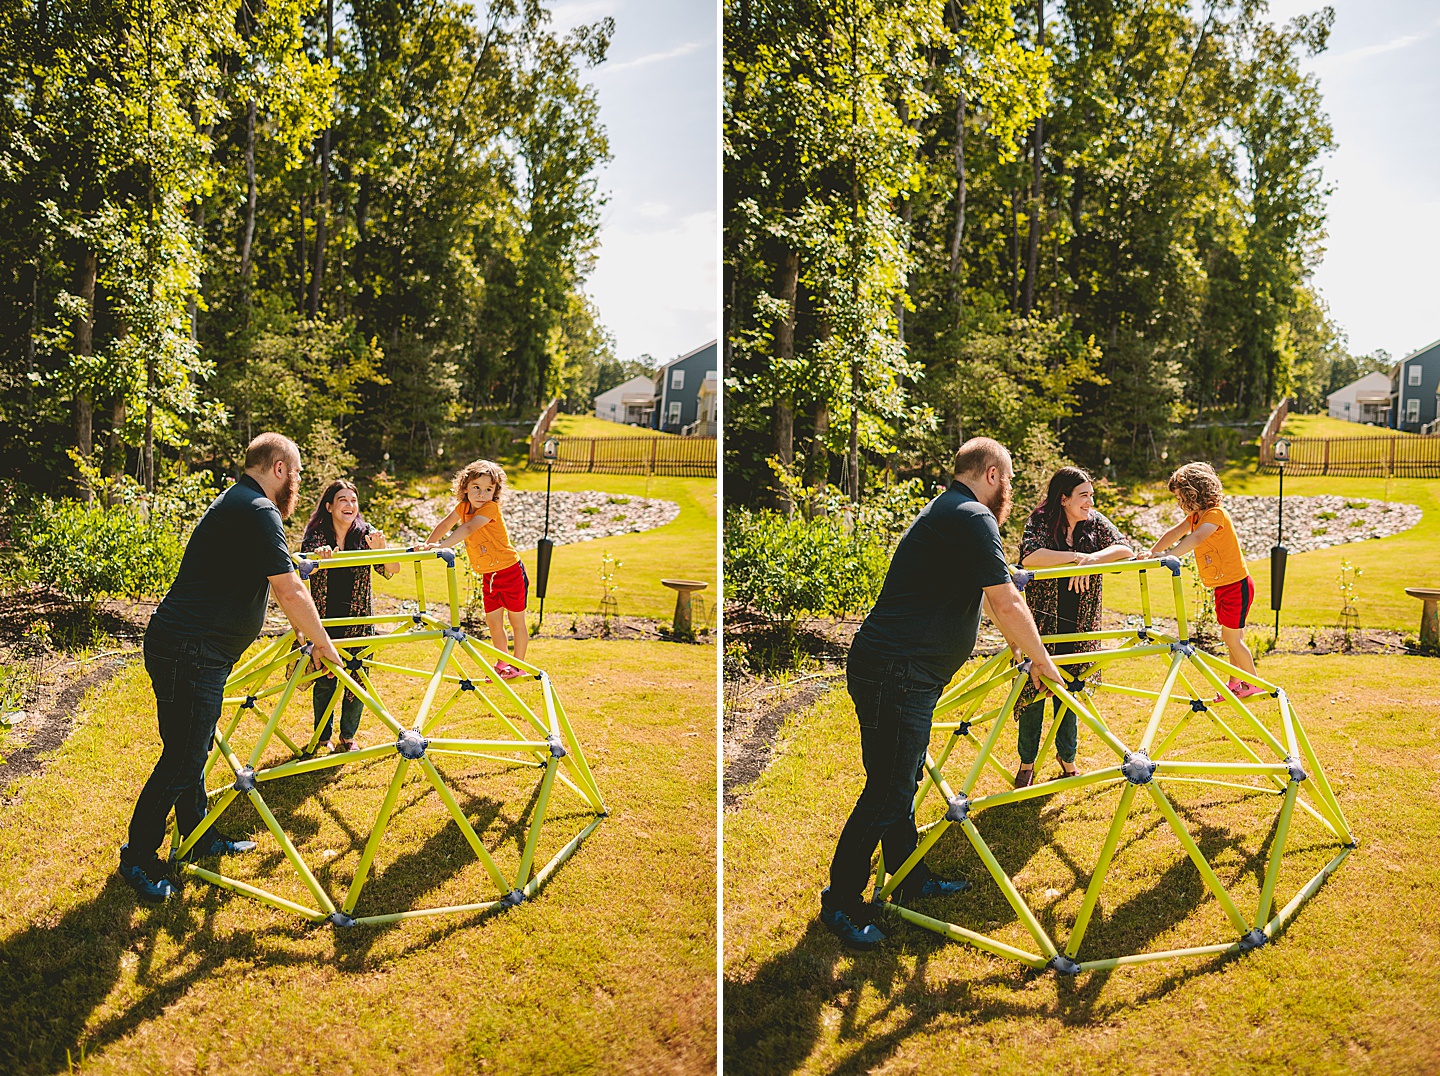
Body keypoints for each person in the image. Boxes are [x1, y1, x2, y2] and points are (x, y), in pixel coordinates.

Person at [821, 437, 1065, 951]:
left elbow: (989, 597)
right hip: (896, 671)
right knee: (887, 788)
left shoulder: (954, 512)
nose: (1012, 491)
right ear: (993, 474)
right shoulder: (972, 516)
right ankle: (841, 903)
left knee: (901, 779)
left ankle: (910, 876)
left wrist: (1021, 651)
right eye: (1012, 479)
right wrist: (1043, 661)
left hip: (903, 671)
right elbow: (1006, 600)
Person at [118, 433, 343, 904]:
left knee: (191, 749)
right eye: (297, 474)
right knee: (183, 757)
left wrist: (296, 564)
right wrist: (324, 644)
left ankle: (198, 836)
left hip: (191, 649)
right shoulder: (258, 509)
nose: (297, 484)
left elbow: (270, 570)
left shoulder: (240, 503)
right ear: (279, 468)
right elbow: (288, 591)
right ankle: (138, 857)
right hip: (190, 650)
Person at [1011, 467, 1135, 788]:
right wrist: (1077, 557)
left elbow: (1125, 549)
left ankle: (1067, 757)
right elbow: (1030, 557)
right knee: (1034, 690)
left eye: (1092, 495)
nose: (1090, 501)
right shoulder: (1041, 520)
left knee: (1071, 690)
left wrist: (1093, 561)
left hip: (1081, 625)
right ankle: (1027, 762)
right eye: (1084, 495)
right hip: (1043, 623)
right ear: (1063, 498)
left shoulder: (1094, 522)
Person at [301, 479, 401, 752]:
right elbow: (301, 570)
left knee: (357, 679)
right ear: (329, 506)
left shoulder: (365, 534)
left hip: (358, 620)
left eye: (353, 500)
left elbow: (392, 570)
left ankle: (348, 737)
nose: (350, 505)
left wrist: (382, 549)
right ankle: (323, 736)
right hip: (325, 620)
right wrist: (317, 558)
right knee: (325, 681)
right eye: (343, 500)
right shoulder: (317, 536)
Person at [1149, 461, 1263, 698]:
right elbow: (1174, 533)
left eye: (1181, 497)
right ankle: (1235, 683)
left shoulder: (1215, 514)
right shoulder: (1195, 517)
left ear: (1194, 493)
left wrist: (1169, 555)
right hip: (1223, 586)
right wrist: (1152, 553)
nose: (1179, 503)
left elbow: (1198, 538)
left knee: (1230, 638)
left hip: (1236, 585)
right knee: (1233, 638)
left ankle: (1253, 683)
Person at [423, 459, 529, 678]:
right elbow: (445, 524)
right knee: (492, 620)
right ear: (465, 488)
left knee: (516, 620)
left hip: (510, 571)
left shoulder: (490, 508)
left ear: (495, 492)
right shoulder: (462, 507)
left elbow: (469, 527)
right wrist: (427, 545)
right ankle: (503, 662)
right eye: (476, 488)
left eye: (488, 489)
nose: (482, 494)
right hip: (489, 575)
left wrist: (442, 546)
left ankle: (517, 665)